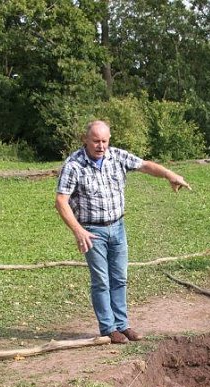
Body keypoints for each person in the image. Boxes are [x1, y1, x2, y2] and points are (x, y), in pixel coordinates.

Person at [55, 120, 191, 344]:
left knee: (119, 278)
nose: (101, 146)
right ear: (85, 140)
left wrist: (169, 174)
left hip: (117, 227)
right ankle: (108, 328)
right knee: (101, 280)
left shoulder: (116, 156)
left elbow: (145, 165)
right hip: (92, 231)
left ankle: (123, 325)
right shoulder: (74, 165)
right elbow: (61, 201)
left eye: (105, 141)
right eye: (96, 141)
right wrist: (78, 231)